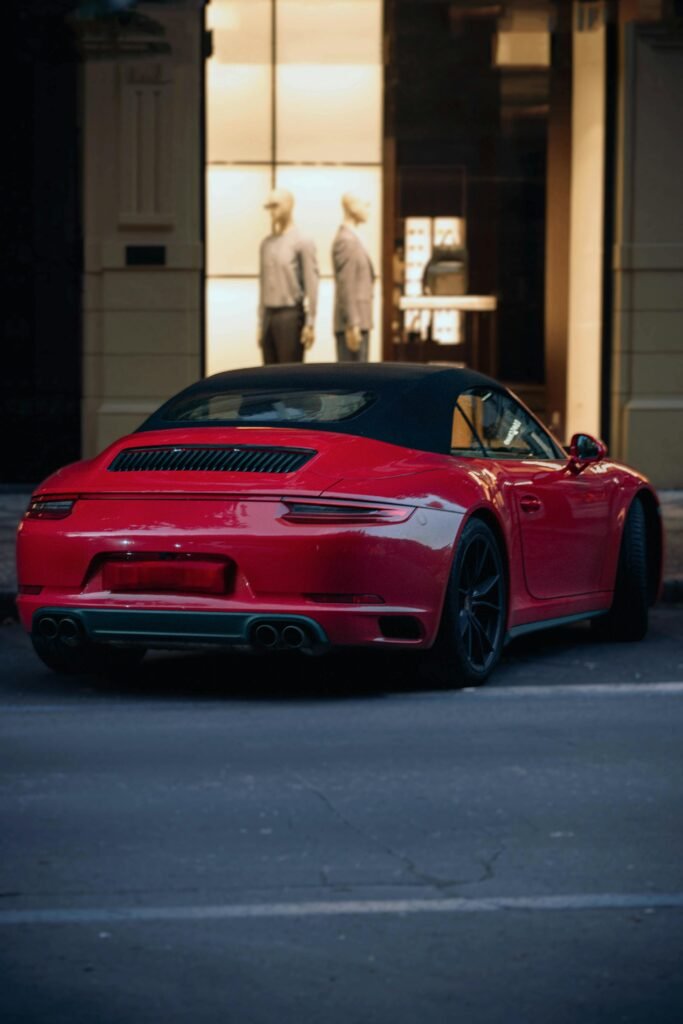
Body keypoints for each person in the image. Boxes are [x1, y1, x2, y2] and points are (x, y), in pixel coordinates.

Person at [258, 188, 319, 364]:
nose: (272, 211)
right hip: (269, 315)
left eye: (275, 205)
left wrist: (310, 322)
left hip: (290, 315)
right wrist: (260, 322)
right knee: (268, 373)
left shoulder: (302, 241)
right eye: (269, 206)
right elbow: (263, 284)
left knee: (289, 371)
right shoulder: (266, 244)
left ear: (289, 205)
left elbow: (311, 283)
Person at [332, 193, 375, 362]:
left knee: (360, 373)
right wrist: (352, 323)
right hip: (353, 323)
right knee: (352, 375)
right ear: (352, 208)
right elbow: (346, 283)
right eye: (364, 205)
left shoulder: (354, 238)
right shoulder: (346, 240)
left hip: (358, 321)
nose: (367, 210)